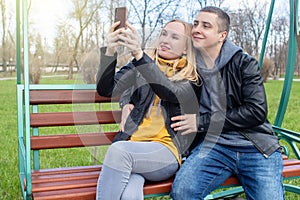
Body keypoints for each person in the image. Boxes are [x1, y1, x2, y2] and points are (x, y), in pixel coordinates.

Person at [166, 6, 284, 200]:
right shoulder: (187, 65)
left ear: (222, 35)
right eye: (195, 24)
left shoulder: (244, 63)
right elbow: (145, 80)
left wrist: (201, 121)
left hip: (255, 147)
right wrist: (127, 101)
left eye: (206, 26)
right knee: (183, 192)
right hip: (214, 147)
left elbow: (256, 111)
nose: (196, 29)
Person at [95, 19, 201, 200]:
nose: (165, 40)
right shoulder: (141, 65)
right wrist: (110, 50)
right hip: (135, 147)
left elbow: (169, 92)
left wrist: (138, 53)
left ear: (186, 48)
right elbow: (107, 89)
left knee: (119, 152)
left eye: (175, 37)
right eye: (164, 34)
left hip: (166, 151)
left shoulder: (191, 77)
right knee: (130, 192)